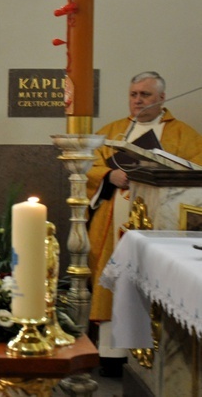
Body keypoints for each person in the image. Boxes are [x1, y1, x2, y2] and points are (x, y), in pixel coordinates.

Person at [87, 70, 202, 375]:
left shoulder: (183, 134)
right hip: (116, 220)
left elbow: (197, 174)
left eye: (145, 94)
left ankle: (154, 354)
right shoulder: (113, 130)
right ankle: (112, 355)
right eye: (133, 94)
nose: (138, 100)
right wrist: (109, 176)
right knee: (115, 281)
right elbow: (90, 164)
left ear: (162, 98)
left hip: (159, 225)